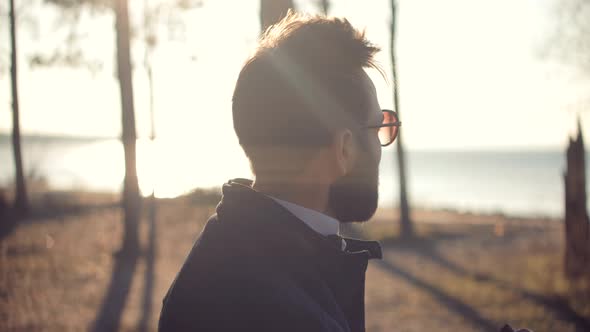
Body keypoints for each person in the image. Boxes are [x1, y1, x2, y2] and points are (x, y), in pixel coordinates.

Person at [158, 12, 401, 332]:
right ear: (343, 149)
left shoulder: (221, 245)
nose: (383, 141)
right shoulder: (291, 314)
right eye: (378, 126)